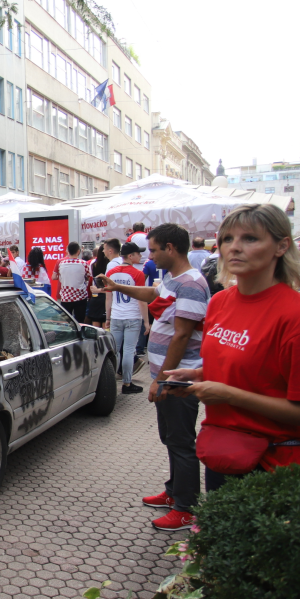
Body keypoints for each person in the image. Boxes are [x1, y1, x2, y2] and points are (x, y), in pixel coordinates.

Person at [165, 204, 300, 493]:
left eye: (250, 238)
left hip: (276, 468)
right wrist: (200, 375)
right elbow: (249, 368)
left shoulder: (299, 316)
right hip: (225, 455)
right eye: (227, 239)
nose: (234, 248)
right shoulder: (221, 302)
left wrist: (230, 395)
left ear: (282, 246)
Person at [98, 223, 209, 532]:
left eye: (155, 249)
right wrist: (117, 287)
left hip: (179, 379)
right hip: (168, 377)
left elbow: (182, 335)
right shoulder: (175, 279)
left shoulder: (192, 284)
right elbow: (151, 293)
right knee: (170, 437)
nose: (150, 255)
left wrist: (163, 380)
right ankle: (174, 491)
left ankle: (186, 507)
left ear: (170, 248)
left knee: (181, 441)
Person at [105, 242, 147, 395]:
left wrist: (108, 317)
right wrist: (146, 322)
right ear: (130, 256)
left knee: (115, 351)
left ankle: (110, 382)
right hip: (132, 317)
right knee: (129, 351)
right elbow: (142, 300)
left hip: (116, 316)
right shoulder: (138, 274)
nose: (140, 256)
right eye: (138, 253)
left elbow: (108, 298)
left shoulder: (111, 273)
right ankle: (127, 384)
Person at [56, 240, 92, 324]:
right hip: (80, 297)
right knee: (80, 321)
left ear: (68, 251)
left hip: (65, 297)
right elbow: (88, 277)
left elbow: (58, 276)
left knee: (66, 322)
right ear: (78, 251)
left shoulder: (61, 263)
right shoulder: (84, 263)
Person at [87, 244, 110, 327]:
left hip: (95, 297)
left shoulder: (93, 264)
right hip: (106, 296)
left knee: (95, 324)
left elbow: (91, 277)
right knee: (105, 326)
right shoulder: (110, 264)